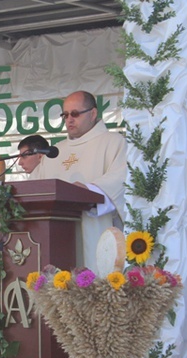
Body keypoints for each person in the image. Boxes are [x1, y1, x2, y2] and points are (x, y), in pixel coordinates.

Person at [32, 90, 127, 267]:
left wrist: (90, 191)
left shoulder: (114, 142)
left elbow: (121, 179)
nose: (69, 119)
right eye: (65, 115)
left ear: (93, 113)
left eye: (75, 114)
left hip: (95, 230)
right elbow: (35, 188)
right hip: (56, 238)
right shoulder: (55, 152)